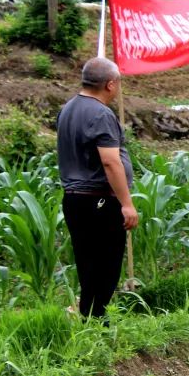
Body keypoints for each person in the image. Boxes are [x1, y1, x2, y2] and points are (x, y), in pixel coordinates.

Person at [56, 57, 139, 318]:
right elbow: (110, 161)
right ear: (110, 84)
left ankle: (89, 319)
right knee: (107, 264)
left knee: (87, 263)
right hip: (98, 200)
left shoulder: (68, 108)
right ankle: (97, 319)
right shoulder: (101, 113)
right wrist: (126, 204)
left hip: (74, 199)